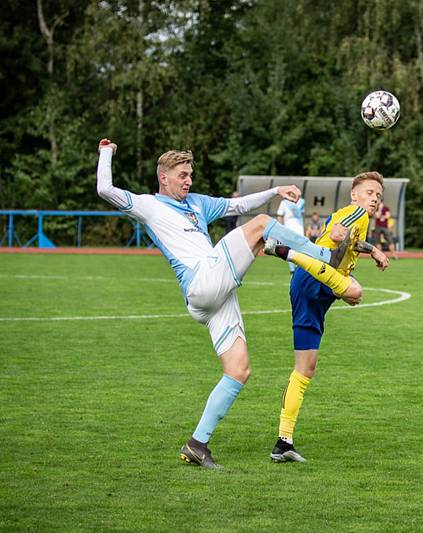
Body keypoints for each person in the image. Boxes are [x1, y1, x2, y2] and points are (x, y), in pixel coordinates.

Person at [95, 139, 358, 469]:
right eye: (182, 175)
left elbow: (238, 205)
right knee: (262, 225)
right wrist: (107, 151)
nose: (188, 180)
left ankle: (197, 444)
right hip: (203, 280)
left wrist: (274, 190)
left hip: (214, 297)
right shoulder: (148, 205)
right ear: (163, 177)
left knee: (238, 370)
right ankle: (321, 255)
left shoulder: (197, 203)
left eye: (190, 174)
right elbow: (105, 188)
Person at [268, 171, 390, 463]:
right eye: (370, 192)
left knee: (305, 368)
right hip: (314, 277)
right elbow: (339, 229)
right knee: (355, 292)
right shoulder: (356, 212)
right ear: (355, 195)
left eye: (379, 196)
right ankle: (286, 252)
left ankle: (283, 443)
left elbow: (351, 239)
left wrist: (372, 250)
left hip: (312, 288)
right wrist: (337, 234)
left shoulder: (357, 217)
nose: (374, 199)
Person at [277, 197, 305, 273]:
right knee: (289, 248)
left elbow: (302, 215)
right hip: (288, 228)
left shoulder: (302, 201)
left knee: (300, 249)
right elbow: (280, 215)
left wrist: (303, 227)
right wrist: (281, 228)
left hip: (299, 229)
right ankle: (292, 268)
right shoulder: (284, 202)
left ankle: (298, 266)